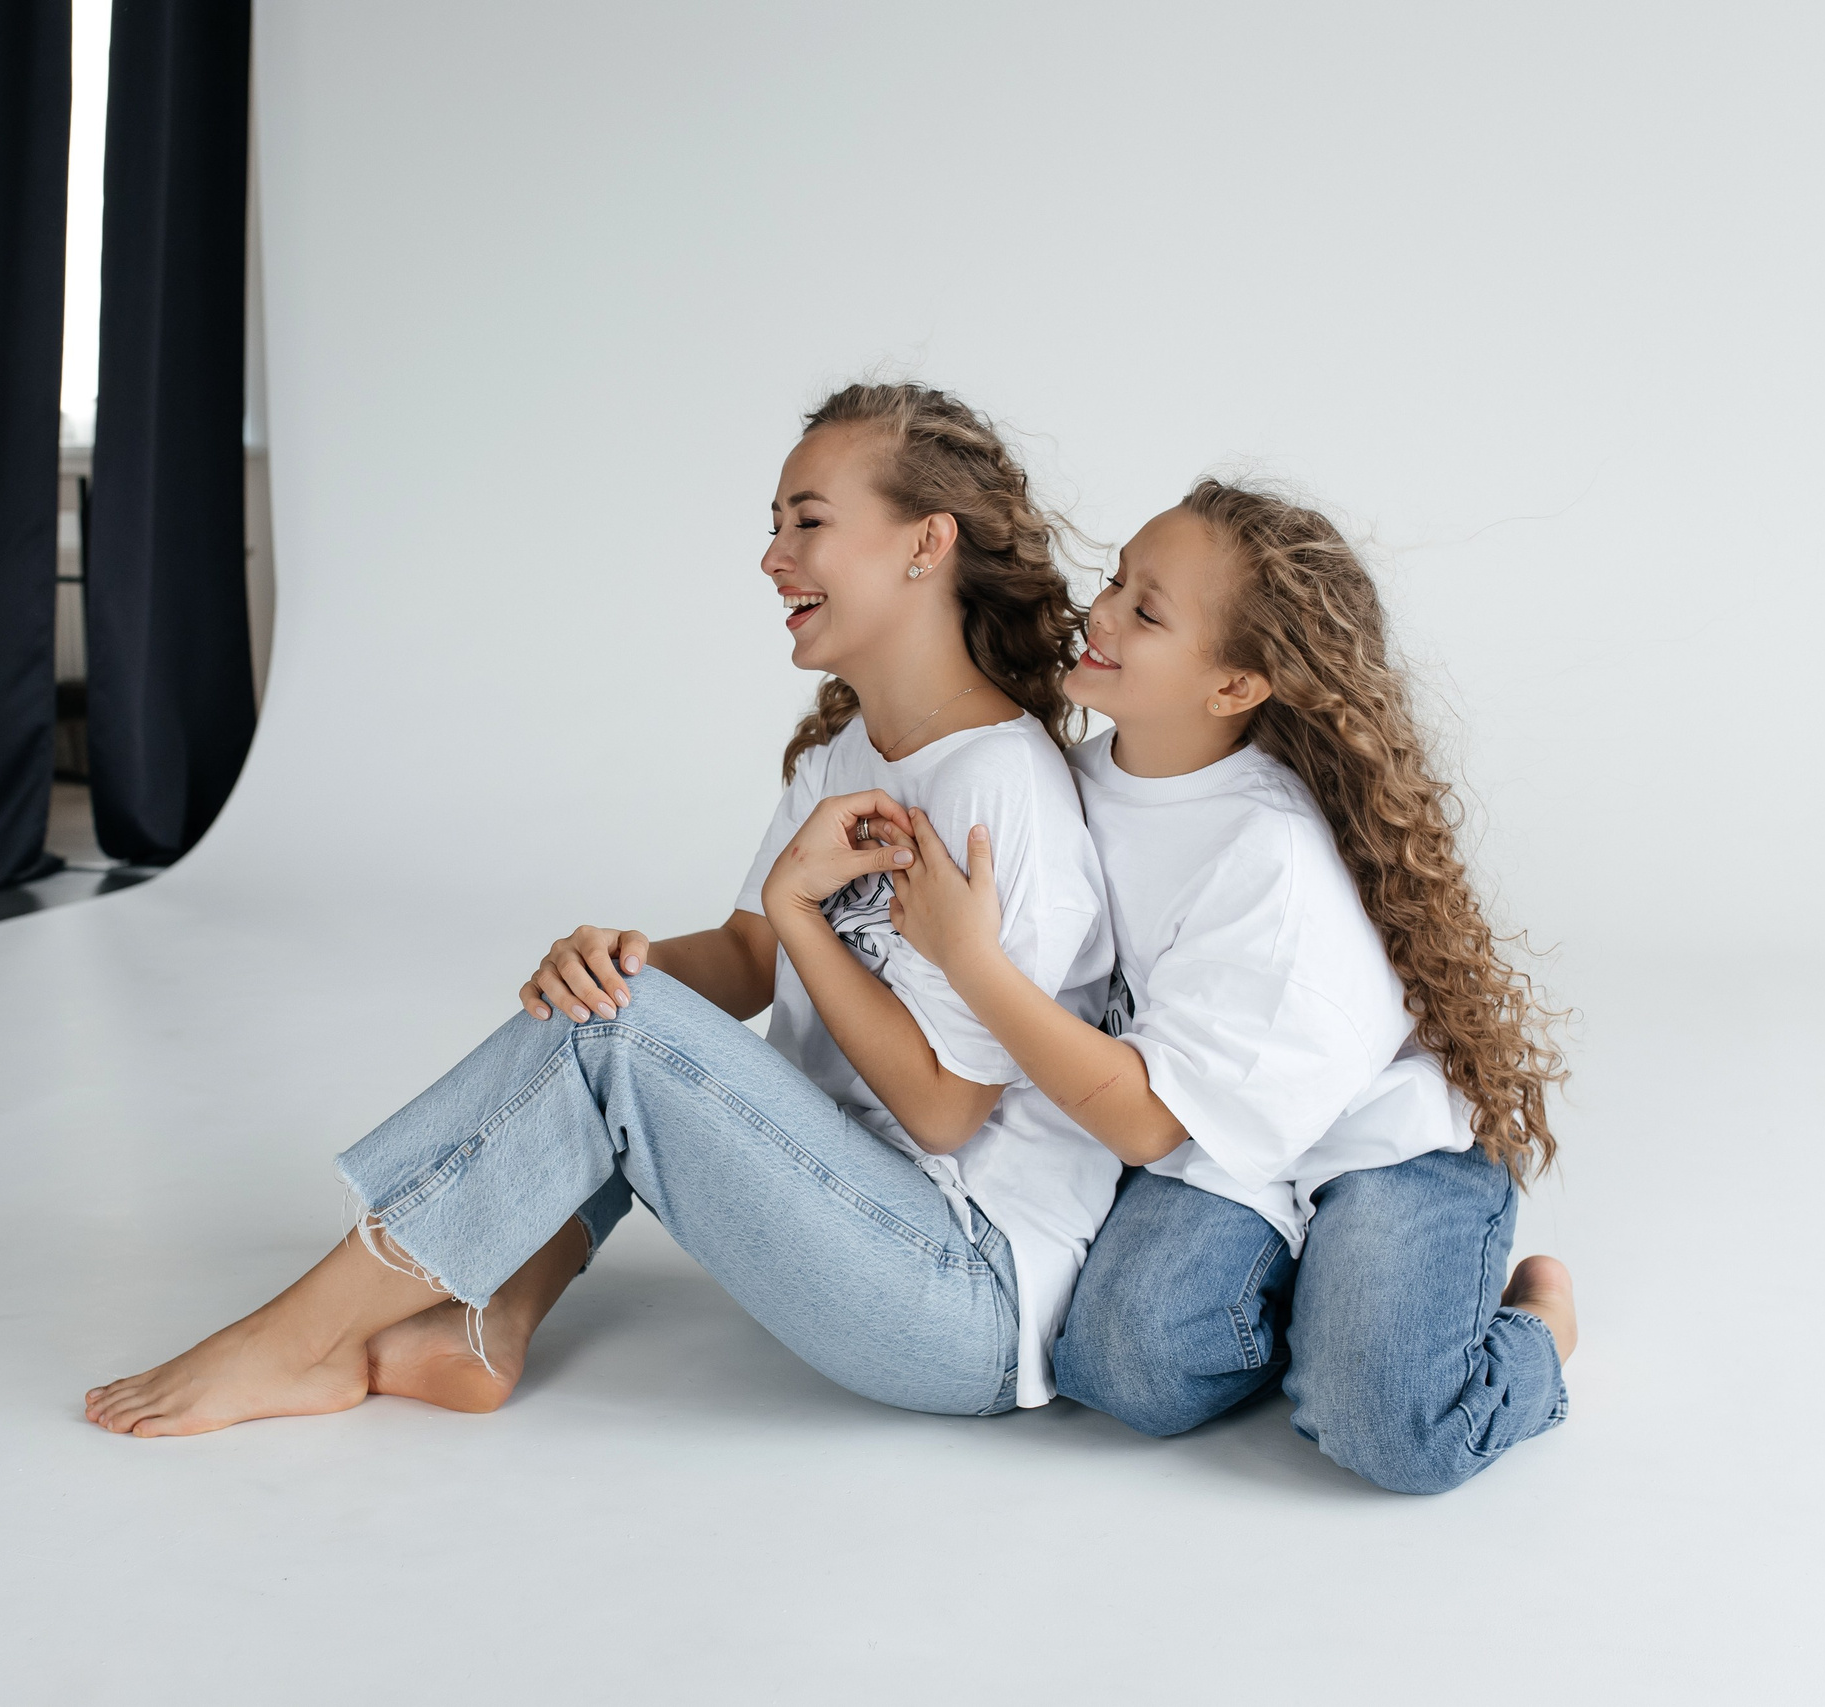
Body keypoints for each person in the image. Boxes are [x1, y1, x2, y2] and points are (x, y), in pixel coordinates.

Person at [85, 383, 1120, 1437]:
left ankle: (294, 1344)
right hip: (857, 1221)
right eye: (773, 528)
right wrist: (619, 964)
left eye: (809, 522)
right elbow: (747, 956)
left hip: (965, 1292)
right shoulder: (848, 754)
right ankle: (481, 1328)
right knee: (613, 1001)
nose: (773, 558)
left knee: (623, 1035)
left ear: (925, 543)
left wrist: (791, 917)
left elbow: (946, 1111)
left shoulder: (1001, 790)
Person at [874, 479, 1574, 1493]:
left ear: (1235, 686)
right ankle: (1303, 1292)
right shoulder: (1065, 779)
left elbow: (1147, 1125)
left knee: (1393, 1431)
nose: (1099, 611)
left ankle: (1537, 1326)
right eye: (1115, 578)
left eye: (1145, 612)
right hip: (1218, 1128)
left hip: (1361, 1132)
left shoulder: (1267, 852)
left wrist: (969, 961)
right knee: (1123, 1366)